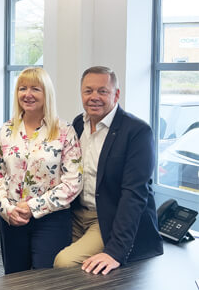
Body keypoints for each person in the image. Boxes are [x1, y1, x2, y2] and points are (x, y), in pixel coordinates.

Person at [54, 66, 163, 274]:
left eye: (102, 91)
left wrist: (115, 252)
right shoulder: (78, 124)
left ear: (116, 94)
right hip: (76, 213)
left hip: (108, 218)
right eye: (88, 91)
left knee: (64, 262)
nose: (94, 97)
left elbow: (134, 195)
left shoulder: (137, 132)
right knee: (44, 252)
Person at [0, 67, 83, 273]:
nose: (27, 94)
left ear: (46, 93)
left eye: (35, 89)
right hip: (12, 218)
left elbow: (73, 182)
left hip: (51, 219)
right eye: (22, 88)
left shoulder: (65, 131)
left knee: (46, 282)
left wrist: (32, 207)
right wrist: (5, 207)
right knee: (15, 281)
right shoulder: (6, 130)